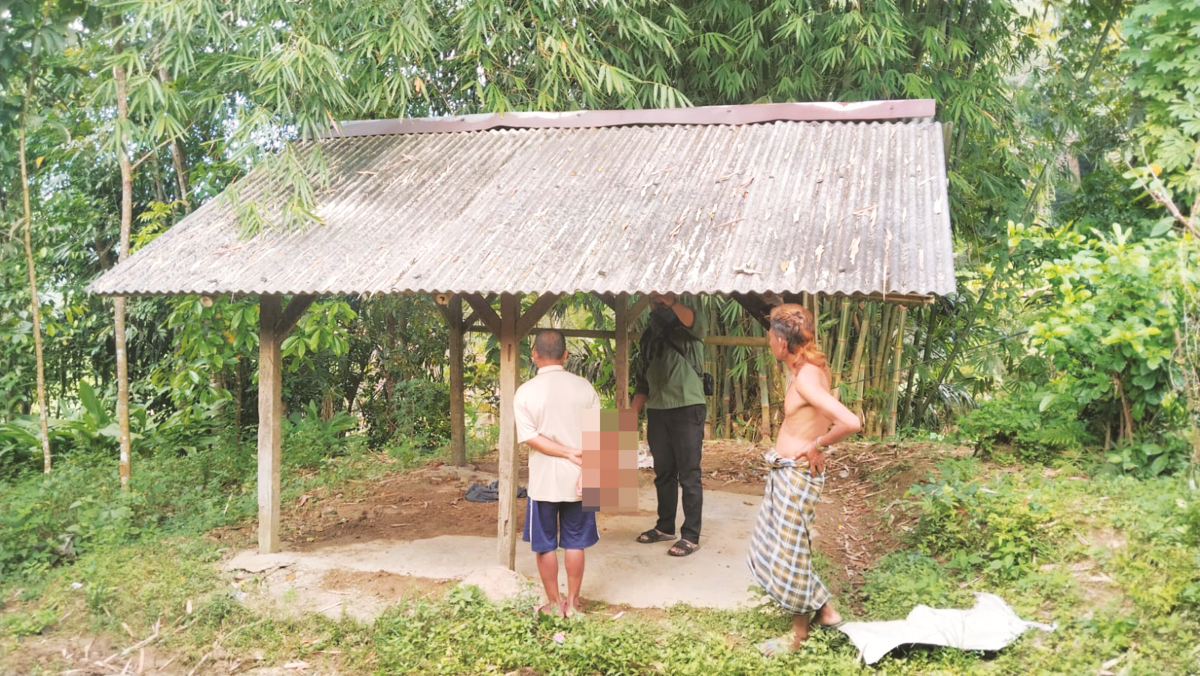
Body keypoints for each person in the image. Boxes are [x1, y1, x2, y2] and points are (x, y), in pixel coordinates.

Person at [748, 303, 862, 656]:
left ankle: (799, 635)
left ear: (782, 342)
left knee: (790, 554)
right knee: (782, 547)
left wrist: (817, 445)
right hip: (788, 473)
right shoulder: (806, 368)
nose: (769, 343)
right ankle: (825, 612)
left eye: (770, 337)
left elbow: (850, 422)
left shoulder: (808, 377)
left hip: (797, 476)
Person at [514, 329, 601, 618]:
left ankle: (554, 603)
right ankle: (574, 602)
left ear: (534, 355)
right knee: (576, 542)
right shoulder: (585, 388)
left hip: (543, 482)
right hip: (582, 477)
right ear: (566, 355)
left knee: (545, 545)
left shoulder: (525, 392)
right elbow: (599, 435)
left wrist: (562, 452)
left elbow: (529, 437)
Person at [632, 292, 708, 557]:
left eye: (662, 298)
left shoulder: (689, 329)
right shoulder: (648, 337)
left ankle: (691, 535)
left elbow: (694, 322)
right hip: (657, 410)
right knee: (663, 473)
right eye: (653, 299)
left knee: (689, 474)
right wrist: (631, 415)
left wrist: (672, 301)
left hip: (687, 407)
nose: (658, 302)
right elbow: (642, 382)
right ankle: (665, 526)